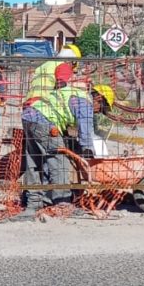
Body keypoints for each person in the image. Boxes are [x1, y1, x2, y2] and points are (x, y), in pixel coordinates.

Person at [21, 63, 113, 211]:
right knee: (60, 160)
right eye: (101, 109)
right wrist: (87, 150)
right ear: (99, 99)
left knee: (34, 160)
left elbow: (64, 114)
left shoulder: (74, 92)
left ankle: (34, 202)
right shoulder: (86, 103)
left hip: (29, 115)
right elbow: (85, 130)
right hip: (45, 120)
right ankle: (62, 201)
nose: (98, 112)